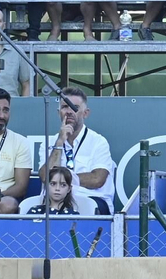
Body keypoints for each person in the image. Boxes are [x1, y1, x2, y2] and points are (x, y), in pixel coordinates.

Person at [38, 86, 116, 214]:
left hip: (91, 199)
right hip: (55, 201)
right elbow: (46, 177)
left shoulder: (98, 141)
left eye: (74, 107)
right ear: (59, 112)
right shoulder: (49, 142)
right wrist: (59, 143)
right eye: (65, 107)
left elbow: (97, 179)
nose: (69, 111)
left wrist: (63, 181)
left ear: (86, 113)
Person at [18, 164, 95, 216]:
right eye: (53, 184)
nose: (57, 189)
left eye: (63, 185)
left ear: (69, 189)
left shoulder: (73, 215)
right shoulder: (34, 212)